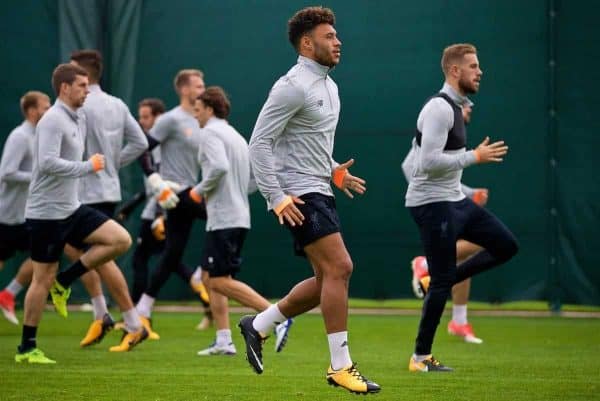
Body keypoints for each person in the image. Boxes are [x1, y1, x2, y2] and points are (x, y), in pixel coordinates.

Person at [241, 7, 380, 394]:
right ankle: (340, 366)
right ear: (307, 43)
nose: (338, 42)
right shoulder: (291, 85)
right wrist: (276, 197)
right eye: (329, 36)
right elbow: (260, 143)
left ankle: (259, 324)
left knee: (325, 280)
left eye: (337, 36)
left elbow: (304, 142)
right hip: (298, 195)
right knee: (341, 266)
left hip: (319, 187)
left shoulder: (329, 86)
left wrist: (335, 169)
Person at [15, 63, 147, 364]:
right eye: (82, 86)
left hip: (72, 207)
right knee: (41, 278)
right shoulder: (52, 120)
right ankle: (27, 347)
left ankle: (65, 281)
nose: (87, 91)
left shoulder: (80, 117)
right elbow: (47, 163)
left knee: (120, 240)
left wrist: (99, 164)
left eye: (88, 85)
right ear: (64, 88)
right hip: (46, 213)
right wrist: (89, 166)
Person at [405, 43, 518, 372]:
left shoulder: (457, 107)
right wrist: (475, 157)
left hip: (454, 200)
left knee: (506, 245)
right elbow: (426, 163)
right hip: (430, 204)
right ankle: (420, 358)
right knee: (442, 282)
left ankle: (436, 278)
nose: (479, 71)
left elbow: (442, 163)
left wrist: (466, 185)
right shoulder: (439, 109)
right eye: (472, 66)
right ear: (455, 71)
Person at [48, 50, 150, 350]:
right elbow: (140, 143)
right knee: (85, 251)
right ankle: (102, 313)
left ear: (84, 75)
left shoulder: (80, 106)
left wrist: (97, 164)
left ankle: (130, 322)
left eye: (73, 72)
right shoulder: (117, 105)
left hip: (84, 190)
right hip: (105, 188)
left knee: (102, 257)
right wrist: (113, 163)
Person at [190, 87, 291, 356]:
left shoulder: (210, 132)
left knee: (219, 281)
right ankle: (224, 340)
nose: (195, 114)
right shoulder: (235, 135)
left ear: (210, 110)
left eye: (198, 109)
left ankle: (275, 316)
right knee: (212, 278)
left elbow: (219, 168)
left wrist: (197, 191)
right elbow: (252, 181)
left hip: (224, 219)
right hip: (235, 216)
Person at [403, 103, 486, 344]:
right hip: (432, 203)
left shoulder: (454, 130)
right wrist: (467, 194)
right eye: (467, 105)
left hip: (447, 200)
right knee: (481, 242)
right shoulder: (438, 120)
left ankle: (459, 321)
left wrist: (469, 193)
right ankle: (425, 264)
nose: (471, 108)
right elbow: (413, 167)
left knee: (464, 256)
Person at [134, 69, 208, 337]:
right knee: (223, 217)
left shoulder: (202, 119)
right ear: (184, 90)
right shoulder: (170, 120)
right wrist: (155, 180)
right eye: (198, 85)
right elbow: (142, 148)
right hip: (175, 193)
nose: (203, 88)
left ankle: (143, 307)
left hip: (192, 191)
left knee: (173, 253)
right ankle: (202, 272)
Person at [0, 91, 50, 324]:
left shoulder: (39, 136)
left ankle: (8, 293)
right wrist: (37, 177)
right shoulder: (20, 136)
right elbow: (7, 173)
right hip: (7, 215)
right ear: (32, 111)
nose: (49, 109)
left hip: (27, 215)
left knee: (45, 254)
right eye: (45, 106)